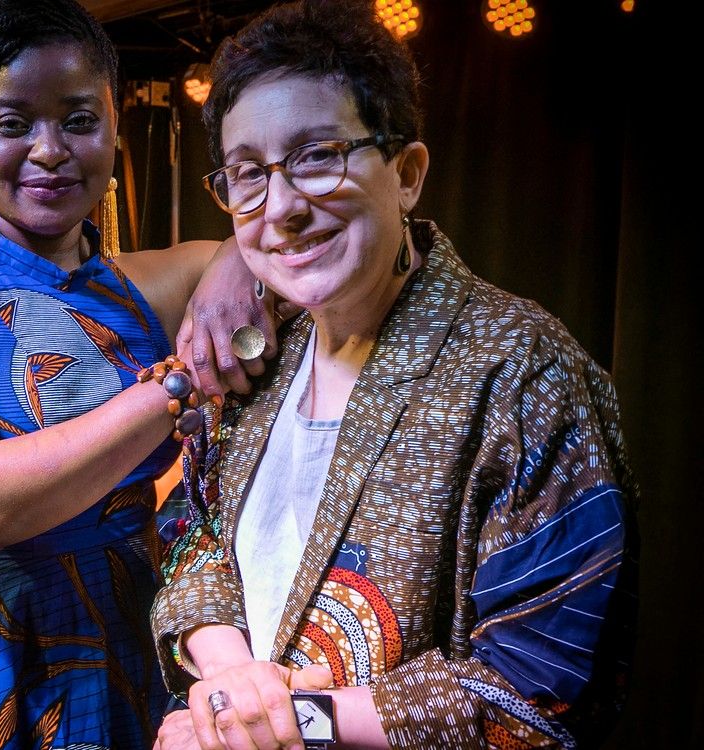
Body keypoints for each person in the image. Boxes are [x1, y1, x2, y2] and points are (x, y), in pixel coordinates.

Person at [150, 1, 639, 748]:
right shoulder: (258, 360)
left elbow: (546, 682)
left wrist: (281, 724)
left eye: (318, 156)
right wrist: (231, 678)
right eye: (248, 173)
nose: (279, 207)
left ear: (407, 174)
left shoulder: (522, 369)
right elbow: (194, 534)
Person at [0, 1, 279, 747]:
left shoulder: (138, 284)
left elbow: (251, 248)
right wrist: (174, 389)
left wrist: (237, 258)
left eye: (77, 120)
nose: (49, 150)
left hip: (122, 642)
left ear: (114, 131)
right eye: (12, 124)